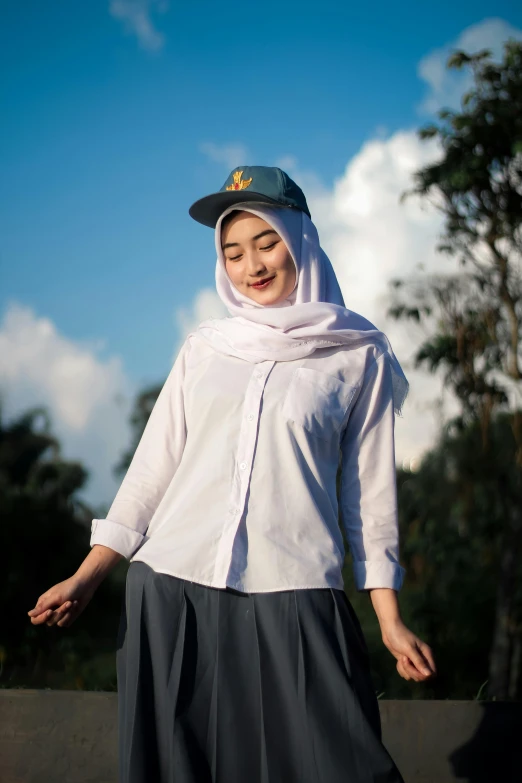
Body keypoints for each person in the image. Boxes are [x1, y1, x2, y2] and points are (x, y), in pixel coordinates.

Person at [28, 166, 436, 783]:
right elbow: (151, 471)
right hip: (171, 590)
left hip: (295, 588)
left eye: (267, 242)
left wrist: (388, 616)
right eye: (233, 250)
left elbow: (369, 497)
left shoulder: (359, 354)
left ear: (300, 238)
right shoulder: (206, 347)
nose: (253, 264)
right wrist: (88, 577)